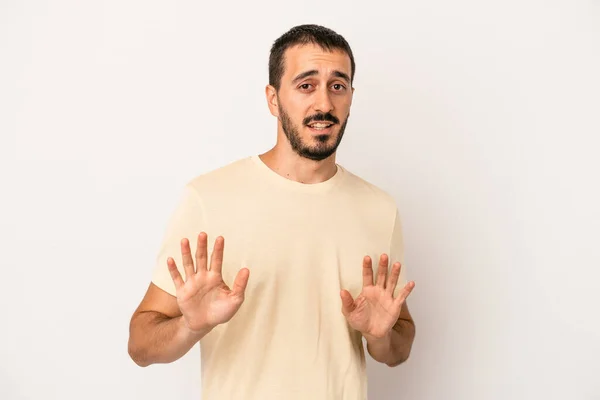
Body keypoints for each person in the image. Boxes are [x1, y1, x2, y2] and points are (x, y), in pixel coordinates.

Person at [127, 24, 416, 400]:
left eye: (338, 86)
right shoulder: (209, 197)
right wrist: (190, 326)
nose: (324, 105)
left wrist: (380, 337)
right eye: (306, 85)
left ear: (350, 97)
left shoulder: (380, 208)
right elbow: (140, 345)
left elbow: (400, 346)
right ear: (273, 99)